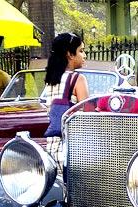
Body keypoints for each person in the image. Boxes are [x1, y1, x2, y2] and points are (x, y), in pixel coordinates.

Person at [43, 32, 89, 168]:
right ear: (69, 54)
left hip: (51, 150)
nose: (84, 55)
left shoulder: (51, 80)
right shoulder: (77, 79)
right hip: (72, 152)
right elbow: (85, 117)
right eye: (81, 51)